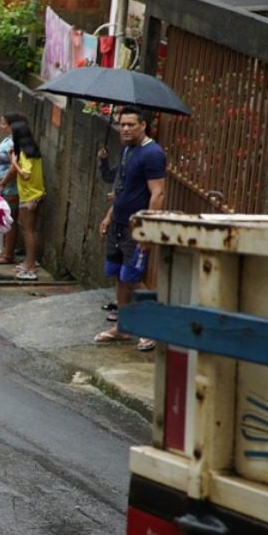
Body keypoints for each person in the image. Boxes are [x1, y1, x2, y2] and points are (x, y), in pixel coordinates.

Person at [94, 106, 166, 351]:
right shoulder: (127, 149)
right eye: (122, 124)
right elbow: (122, 189)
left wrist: (147, 229)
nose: (125, 129)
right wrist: (108, 216)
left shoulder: (152, 153)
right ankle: (123, 328)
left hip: (136, 227)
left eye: (130, 125)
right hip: (118, 223)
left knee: (133, 277)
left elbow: (158, 193)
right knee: (118, 275)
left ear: (143, 125)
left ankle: (152, 328)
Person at [9, 120, 45, 281]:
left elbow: (26, 174)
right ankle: (30, 261)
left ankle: (30, 265)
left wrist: (13, 162)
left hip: (29, 196)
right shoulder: (33, 151)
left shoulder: (23, 153)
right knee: (31, 230)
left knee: (28, 230)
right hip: (36, 194)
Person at [0, 112, 26, 265]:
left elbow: (14, 167)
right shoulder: (8, 140)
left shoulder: (17, 143)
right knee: (5, 219)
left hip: (10, 187)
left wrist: (3, 183)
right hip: (3, 185)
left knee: (10, 221)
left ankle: (8, 255)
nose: (1, 126)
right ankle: (4, 252)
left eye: (4, 123)